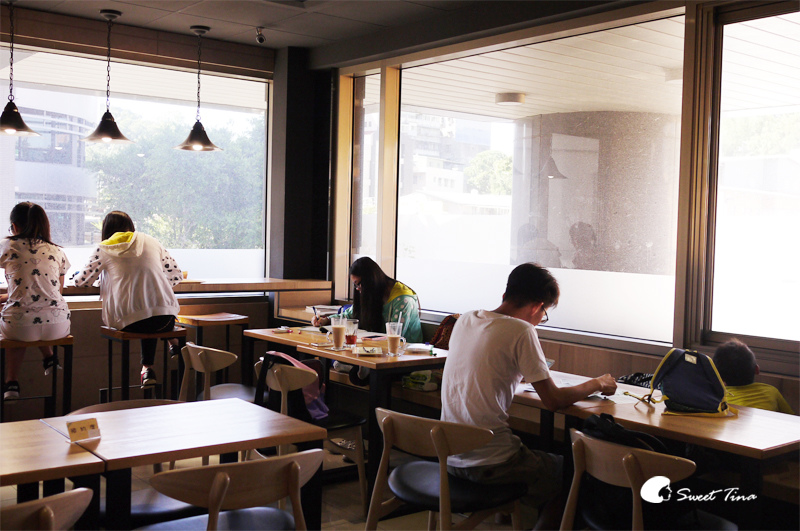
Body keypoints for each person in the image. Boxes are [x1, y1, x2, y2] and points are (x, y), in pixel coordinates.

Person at [440, 262, 617, 528]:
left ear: (506, 295)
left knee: (535, 454)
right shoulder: (522, 330)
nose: (539, 321)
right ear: (537, 307)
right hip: (491, 463)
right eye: (544, 315)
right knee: (574, 472)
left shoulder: (466, 319)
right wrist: (596, 383)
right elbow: (553, 400)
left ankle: (504, 513)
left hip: (450, 457)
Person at [73, 211, 182, 389]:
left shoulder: (104, 248)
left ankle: (148, 368)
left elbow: (81, 281)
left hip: (130, 323)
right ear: (131, 226)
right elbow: (176, 275)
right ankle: (156, 360)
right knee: (149, 310)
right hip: (166, 320)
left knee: (140, 314)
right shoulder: (150, 240)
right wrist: (152, 285)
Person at [312, 256, 422, 384]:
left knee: (355, 369)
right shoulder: (373, 293)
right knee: (339, 357)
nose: (357, 289)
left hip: (404, 356)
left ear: (371, 281)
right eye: (355, 285)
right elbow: (349, 314)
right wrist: (326, 320)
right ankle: (360, 369)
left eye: (359, 284)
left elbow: (395, 337)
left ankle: (358, 369)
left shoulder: (403, 299)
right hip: (376, 351)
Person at [0, 202, 71, 400]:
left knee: (19, 317)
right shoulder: (57, 251)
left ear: (14, 226)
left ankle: (11, 382)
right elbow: (54, 291)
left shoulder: (8, 245)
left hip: (20, 326)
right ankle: (49, 357)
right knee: (29, 313)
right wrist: (11, 296)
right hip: (58, 324)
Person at [713, 338, 794, 414]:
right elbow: (791, 418)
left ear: (718, 376)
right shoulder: (771, 392)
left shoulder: (717, 398)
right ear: (757, 370)